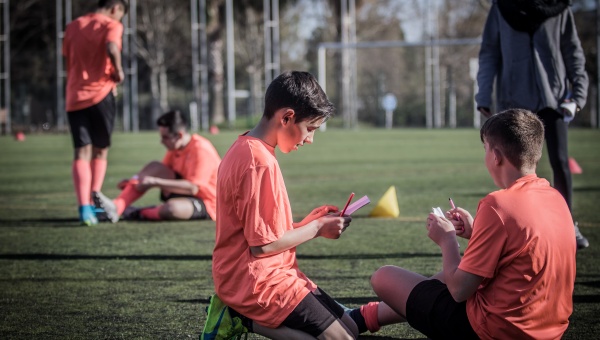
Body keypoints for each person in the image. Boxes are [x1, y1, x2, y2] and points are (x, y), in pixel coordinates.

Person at [347, 109, 577, 339]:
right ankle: (361, 318)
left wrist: (447, 240)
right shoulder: (555, 197)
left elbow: (459, 290)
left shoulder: (498, 204)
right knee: (441, 279)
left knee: (385, 277)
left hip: (495, 331)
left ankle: (360, 317)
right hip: (549, 331)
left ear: (496, 155)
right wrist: (476, 231)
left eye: (485, 149)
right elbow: (523, 251)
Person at [201, 71, 358, 339]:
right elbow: (263, 246)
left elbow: (262, 232)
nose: (310, 139)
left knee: (351, 330)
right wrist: (318, 228)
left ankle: (244, 318)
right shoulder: (258, 161)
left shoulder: (249, 148)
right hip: (255, 282)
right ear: (286, 117)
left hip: (270, 272)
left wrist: (307, 224)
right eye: (310, 129)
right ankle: (240, 318)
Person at [475, 0, 589, 249]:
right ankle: (512, 226)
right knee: (509, 165)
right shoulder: (502, 8)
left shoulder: (560, 8)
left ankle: (566, 224)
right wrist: (483, 94)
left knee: (560, 161)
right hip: (513, 101)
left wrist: (578, 96)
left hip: (554, 100)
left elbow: (573, 53)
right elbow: (489, 52)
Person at [62, 0, 128, 226]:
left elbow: (68, 60)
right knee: (100, 151)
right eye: (121, 15)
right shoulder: (111, 25)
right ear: (115, 8)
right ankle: (95, 200)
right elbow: (111, 47)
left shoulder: (72, 26)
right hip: (101, 94)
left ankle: (84, 208)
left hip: (74, 96)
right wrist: (118, 71)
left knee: (81, 152)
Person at [94, 110, 221, 222]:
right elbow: (159, 170)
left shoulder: (201, 149)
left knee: (172, 209)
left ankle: (137, 212)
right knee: (154, 166)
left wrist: (155, 182)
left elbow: (193, 188)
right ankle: (117, 207)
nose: (161, 142)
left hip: (208, 202)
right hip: (184, 192)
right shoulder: (176, 147)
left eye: (165, 137)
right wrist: (133, 181)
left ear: (180, 135)